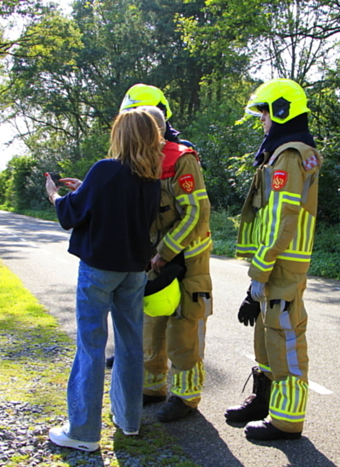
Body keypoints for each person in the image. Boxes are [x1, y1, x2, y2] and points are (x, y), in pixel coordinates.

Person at [46, 108, 162, 451]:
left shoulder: (105, 169)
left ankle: (82, 433)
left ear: (121, 136)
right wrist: (87, 188)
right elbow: (118, 207)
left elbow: (70, 214)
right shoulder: (151, 180)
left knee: (91, 346)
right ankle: (129, 421)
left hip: (99, 270)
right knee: (130, 345)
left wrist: (54, 194)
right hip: (135, 271)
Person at [224, 78, 322, 441]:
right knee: (266, 337)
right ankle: (264, 401)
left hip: (280, 263)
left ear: (282, 111)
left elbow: (283, 220)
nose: (262, 120)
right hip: (274, 262)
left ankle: (286, 420)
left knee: (286, 340)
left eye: (264, 113)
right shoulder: (280, 151)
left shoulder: (290, 155)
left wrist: (259, 272)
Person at [119, 84, 213, 423]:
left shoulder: (181, 159)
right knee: (151, 326)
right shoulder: (134, 160)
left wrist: (166, 251)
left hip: (188, 261)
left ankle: (185, 398)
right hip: (153, 260)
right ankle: (152, 387)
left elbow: (197, 214)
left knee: (183, 329)